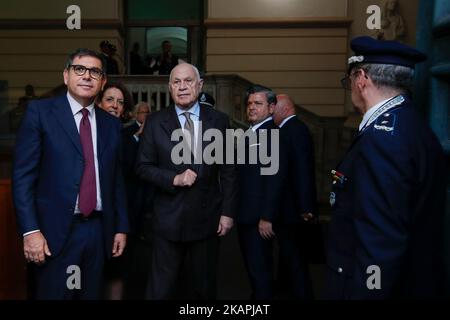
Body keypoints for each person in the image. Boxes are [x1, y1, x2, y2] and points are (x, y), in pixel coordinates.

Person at [324, 36, 448, 299]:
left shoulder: (382, 139)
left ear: (361, 78)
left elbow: (379, 242)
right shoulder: (410, 124)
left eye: (349, 83)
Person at [12, 48, 129, 299]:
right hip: (53, 233)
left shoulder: (111, 125)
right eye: (80, 69)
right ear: (66, 76)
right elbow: (23, 179)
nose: (87, 76)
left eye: (95, 71)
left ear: (103, 81)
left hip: (98, 231)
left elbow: (116, 180)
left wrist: (120, 226)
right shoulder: (40, 113)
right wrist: (30, 231)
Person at [136, 63, 237, 299]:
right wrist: (174, 178)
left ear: (199, 85)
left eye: (188, 81)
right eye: (176, 82)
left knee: (204, 288)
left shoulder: (220, 121)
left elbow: (229, 170)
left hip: (207, 220)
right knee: (161, 290)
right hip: (167, 221)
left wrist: (228, 212)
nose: (182, 87)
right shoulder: (154, 122)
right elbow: (142, 167)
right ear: (170, 88)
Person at [235, 84, 285, 299]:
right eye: (249, 104)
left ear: (272, 108)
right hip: (247, 215)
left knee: (261, 270)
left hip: (259, 220)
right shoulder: (252, 132)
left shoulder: (272, 134)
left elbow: (275, 180)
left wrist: (267, 217)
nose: (251, 108)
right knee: (255, 271)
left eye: (258, 103)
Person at [272, 94, 316, 299]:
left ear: (286, 109)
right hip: (288, 207)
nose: (271, 111)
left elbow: (303, 170)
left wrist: (306, 207)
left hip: (292, 209)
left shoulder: (295, 130)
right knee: (287, 255)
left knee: (294, 257)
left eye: (275, 107)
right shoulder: (289, 129)